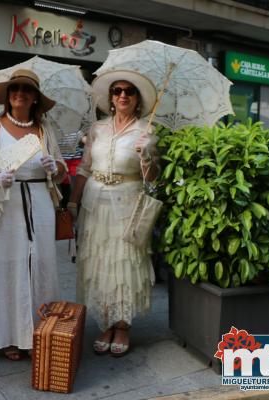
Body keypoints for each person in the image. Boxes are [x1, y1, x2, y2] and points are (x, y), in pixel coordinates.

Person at [0, 69, 66, 360]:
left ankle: (39, 331)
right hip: (5, 205)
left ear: (35, 98)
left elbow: (61, 171)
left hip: (40, 205)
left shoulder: (44, 130)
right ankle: (9, 335)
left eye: (26, 90)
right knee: (7, 267)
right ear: (7, 95)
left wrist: (53, 168)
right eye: (15, 89)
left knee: (40, 265)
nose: (20, 94)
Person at [68, 70, 159, 357]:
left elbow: (154, 179)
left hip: (127, 204)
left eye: (129, 91)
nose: (122, 95)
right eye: (117, 90)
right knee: (99, 262)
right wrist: (72, 204)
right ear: (110, 97)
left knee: (123, 264)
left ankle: (122, 325)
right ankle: (106, 322)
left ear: (137, 99)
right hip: (94, 205)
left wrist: (147, 155)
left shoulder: (147, 131)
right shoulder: (97, 128)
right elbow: (84, 169)